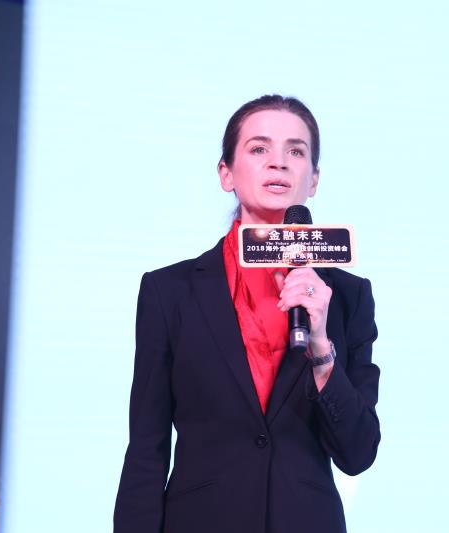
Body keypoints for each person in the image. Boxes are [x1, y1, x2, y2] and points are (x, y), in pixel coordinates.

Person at [113, 95, 381, 533]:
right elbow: (146, 447)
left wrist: (320, 348)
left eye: (296, 151)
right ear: (226, 173)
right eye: (259, 148)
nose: (279, 162)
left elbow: (358, 452)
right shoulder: (170, 291)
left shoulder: (347, 296)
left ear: (313, 179)